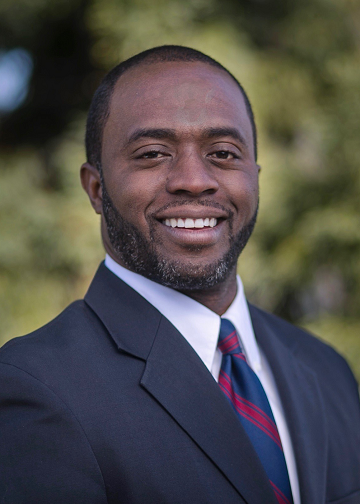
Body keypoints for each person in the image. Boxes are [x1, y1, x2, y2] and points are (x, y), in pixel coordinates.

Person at [0, 46, 359, 504]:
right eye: (152, 154)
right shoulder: (33, 390)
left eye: (224, 153)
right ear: (95, 187)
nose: (193, 178)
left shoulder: (326, 369)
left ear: (255, 177)